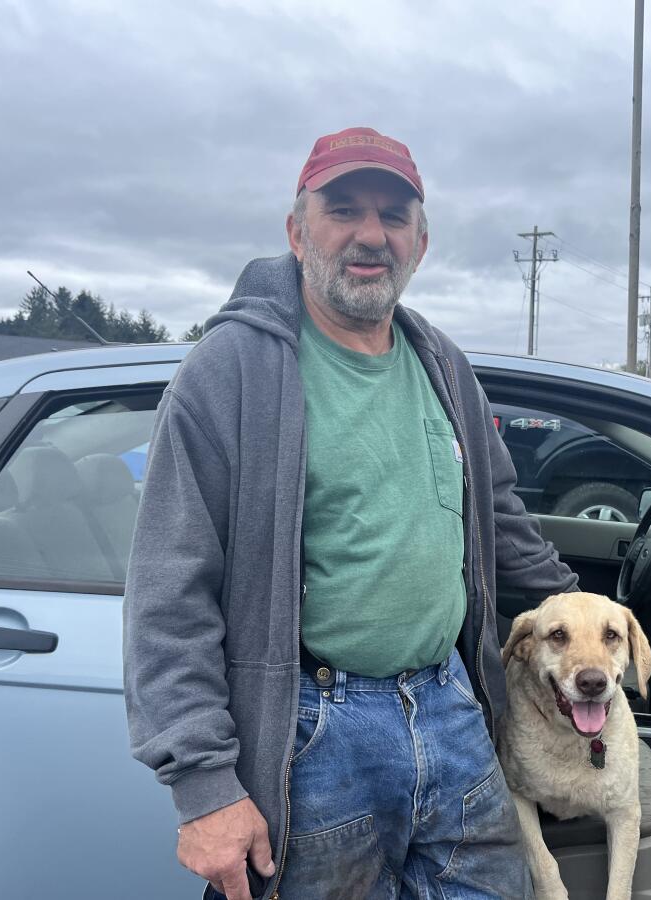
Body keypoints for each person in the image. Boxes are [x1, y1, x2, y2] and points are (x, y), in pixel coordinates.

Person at [123, 126, 578, 900]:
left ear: (420, 244)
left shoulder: (442, 365)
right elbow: (170, 591)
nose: (372, 236)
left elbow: (495, 520)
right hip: (317, 731)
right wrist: (205, 787)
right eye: (345, 210)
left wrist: (588, 612)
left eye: (393, 217)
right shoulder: (230, 372)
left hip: (452, 706)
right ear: (298, 231)